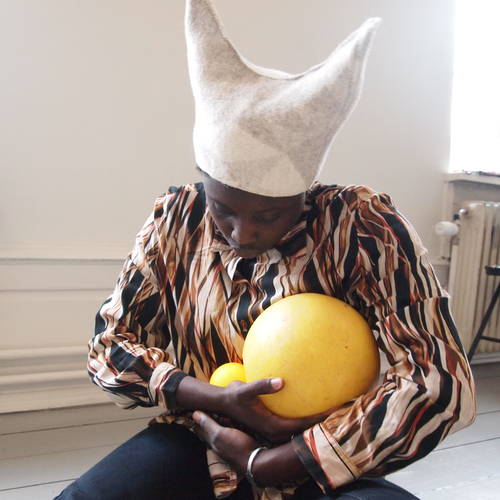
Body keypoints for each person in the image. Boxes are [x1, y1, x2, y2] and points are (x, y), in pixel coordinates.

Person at [55, 1, 476, 499]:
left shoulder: (362, 227)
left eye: (269, 215)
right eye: (223, 209)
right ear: (203, 180)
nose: (243, 233)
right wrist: (214, 401)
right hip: (199, 438)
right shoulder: (176, 218)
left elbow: (438, 380)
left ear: (304, 192)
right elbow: (110, 345)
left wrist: (277, 462)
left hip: (322, 454)